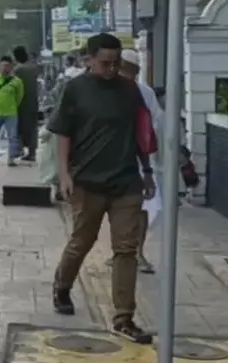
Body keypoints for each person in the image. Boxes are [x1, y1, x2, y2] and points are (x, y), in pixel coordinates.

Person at [50, 33, 156, 343]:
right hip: (87, 182)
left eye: (115, 63)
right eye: (105, 63)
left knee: (126, 249)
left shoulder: (129, 90)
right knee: (82, 241)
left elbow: (139, 133)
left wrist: (147, 171)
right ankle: (62, 285)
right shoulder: (75, 89)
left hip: (125, 182)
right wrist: (64, 174)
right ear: (89, 60)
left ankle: (123, 317)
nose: (111, 69)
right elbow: (63, 134)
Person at [119, 48, 161, 274]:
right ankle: (123, 251)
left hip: (140, 161)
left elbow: (152, 129)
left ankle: (137, 252)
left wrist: (149, 168)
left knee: (142, 208)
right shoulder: (108, 90)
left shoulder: (145, 93)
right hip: (114, 161)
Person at [0, 56, 24, 165]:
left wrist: (12, 105)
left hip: (11, 113)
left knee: (12, 138)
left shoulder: (17, 81)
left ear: (11, 67)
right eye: (3, 65)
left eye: (7, 66)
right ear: (0, 66)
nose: (5, 68)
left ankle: (11, 159)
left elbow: (20, 96)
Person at [12, 46, 41, 162]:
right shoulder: (34, 68)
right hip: (33, 102)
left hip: (21, 102)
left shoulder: (18, 70)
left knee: (19, 127)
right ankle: (32, 152)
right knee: (32, 127)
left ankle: (19, 150)